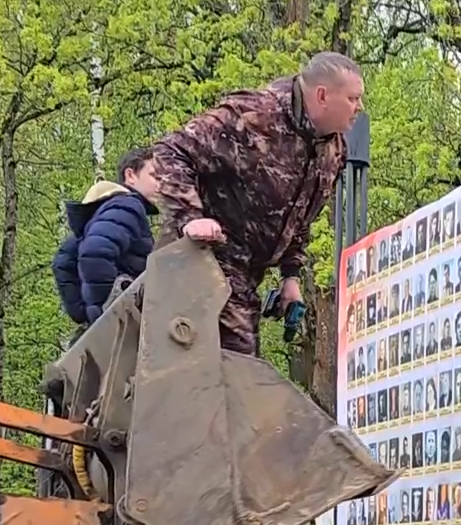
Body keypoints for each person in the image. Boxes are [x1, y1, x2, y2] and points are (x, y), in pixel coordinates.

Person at [151, 53, 364, 354]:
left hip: (248, 272)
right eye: (353, 99)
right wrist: (190, 217)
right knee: (237, 361)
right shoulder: (252, 116)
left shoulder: (333, 150)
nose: (359, 108)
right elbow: (171, 150)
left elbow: (301, 216)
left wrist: (290, 276)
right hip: (202, 257)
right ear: (322, 95)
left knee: (240, 362)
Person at [52, 148, 160, 333]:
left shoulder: (101, 212)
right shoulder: (128, 205)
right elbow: (94, 253)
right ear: (130, 175)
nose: (161, 184)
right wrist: (111, 309)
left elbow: (62, 262)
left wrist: (85, 312)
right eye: (155, 176)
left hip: (107, 333)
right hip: (123, 329)